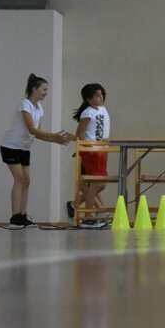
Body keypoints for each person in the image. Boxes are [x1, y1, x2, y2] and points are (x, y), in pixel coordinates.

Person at [0, 73, 72, 228]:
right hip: (11, 146)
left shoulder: (39, 108)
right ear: (34, 89)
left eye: (47, 90)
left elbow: (38, 134)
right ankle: (15, 218)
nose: (46, 93)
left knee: (27, 180)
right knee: (19, 179)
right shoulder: (25, 104)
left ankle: (23, 216)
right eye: (44, 89)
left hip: (24, 147)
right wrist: (54, 135)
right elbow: (32, 129)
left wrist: (55, 140)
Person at [71, 83, 111, 229]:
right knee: (96, 183)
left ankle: (74, 205)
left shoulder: (102, 109)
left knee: (102, 184)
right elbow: (79, 134)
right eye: (97, 95)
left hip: (102, 150)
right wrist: (84, 148)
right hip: (91, 150)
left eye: (102, 95)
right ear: (88, 99)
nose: (101, 98)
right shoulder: (87, 113)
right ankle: (88, 217)